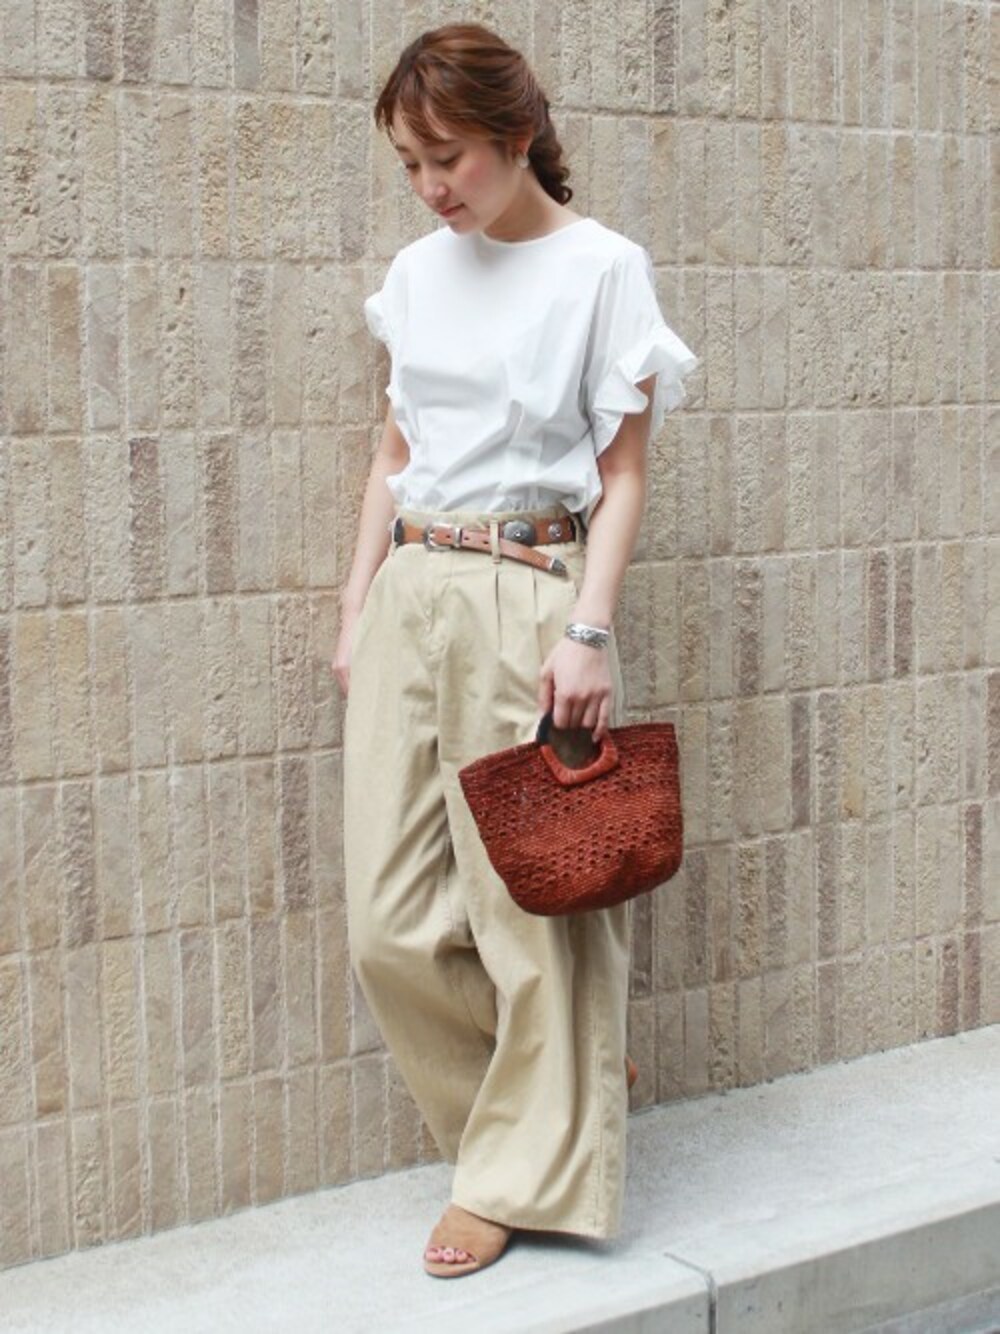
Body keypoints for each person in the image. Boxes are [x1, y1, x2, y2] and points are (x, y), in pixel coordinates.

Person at [333, 22, 699, 1279]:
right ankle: (562, 1090)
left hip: (532, 588)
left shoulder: (603, 269)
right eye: (409, 164)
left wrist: (587, 630)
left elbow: (622, 472)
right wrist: (356, 605)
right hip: (412, 589)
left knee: (533, 905)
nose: (431, 186)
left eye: (448, 158)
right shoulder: (414, 273)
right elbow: (393, 453)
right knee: (387, 921)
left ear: (517, 132)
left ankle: (510, 1174)